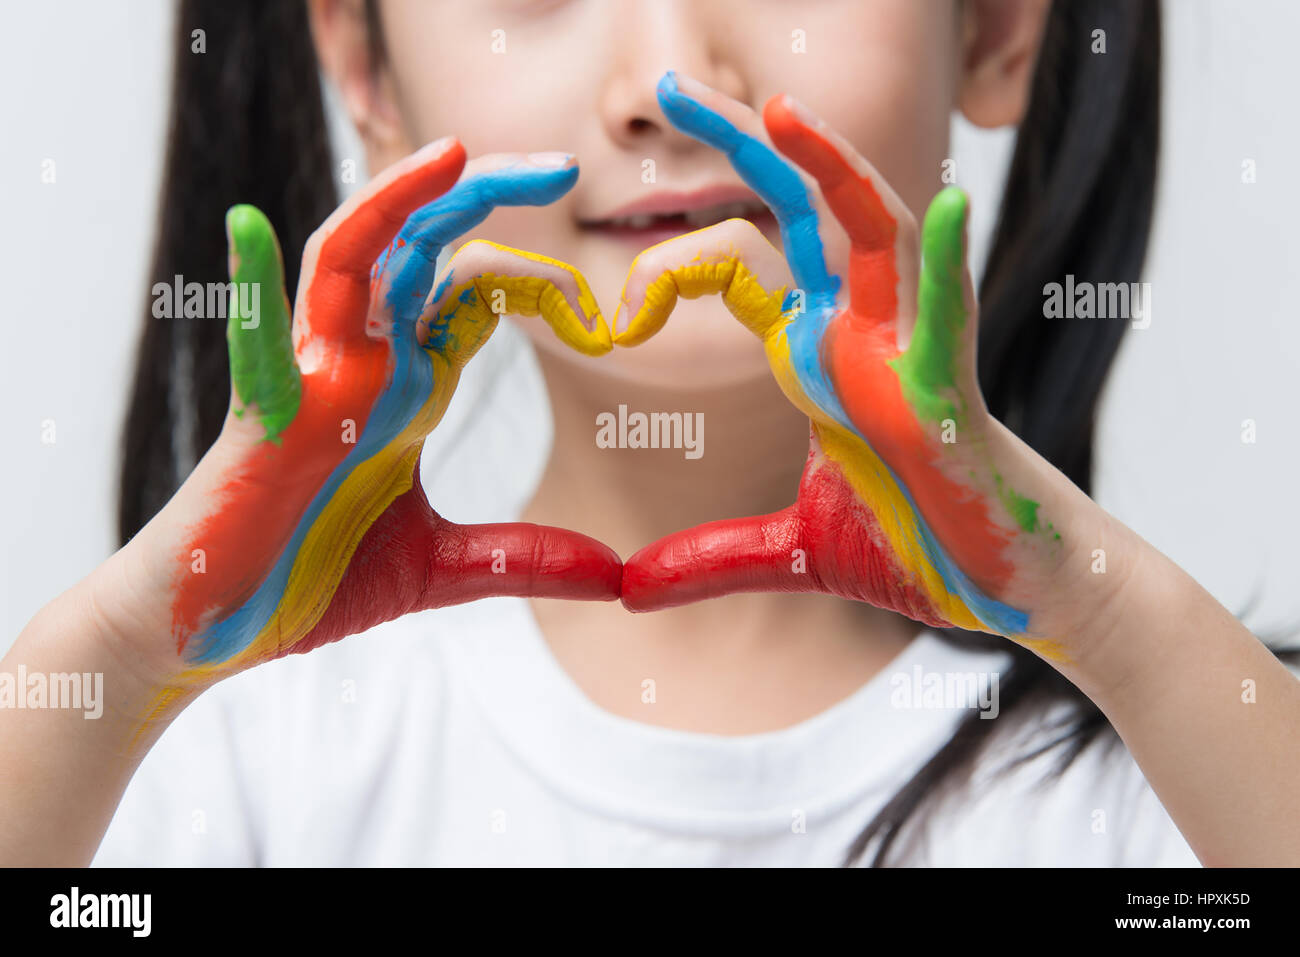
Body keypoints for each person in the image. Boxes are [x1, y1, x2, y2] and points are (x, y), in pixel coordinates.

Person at [3, 0, 1296, 867]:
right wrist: (119, 658)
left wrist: (1102, 612)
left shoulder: (1170, 785)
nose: (666, 87)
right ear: (358, 59)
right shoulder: (234, 765)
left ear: (1004, 25)